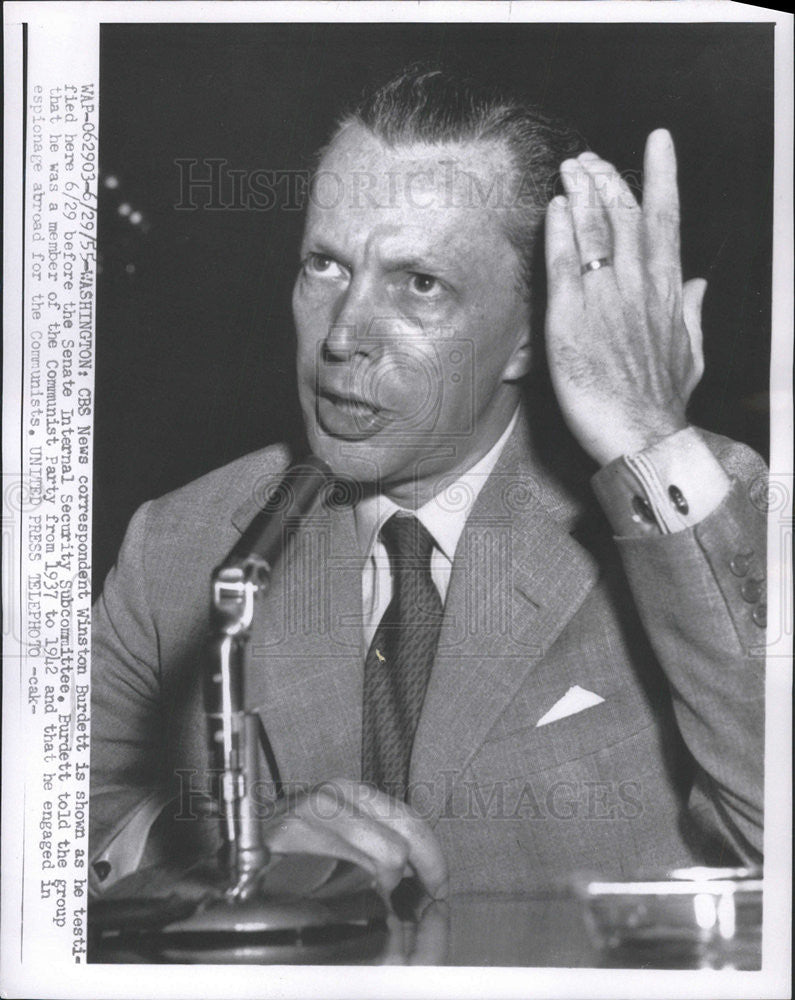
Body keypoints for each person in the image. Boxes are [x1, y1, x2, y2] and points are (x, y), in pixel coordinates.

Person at [90, 67, 766, 901]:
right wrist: (222, 842)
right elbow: (54, 821)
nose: (342, 337)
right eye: (326, 266)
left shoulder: (692, 515)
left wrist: (648, 441)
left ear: (530, 336)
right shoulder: (181, 544)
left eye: (419, 284)